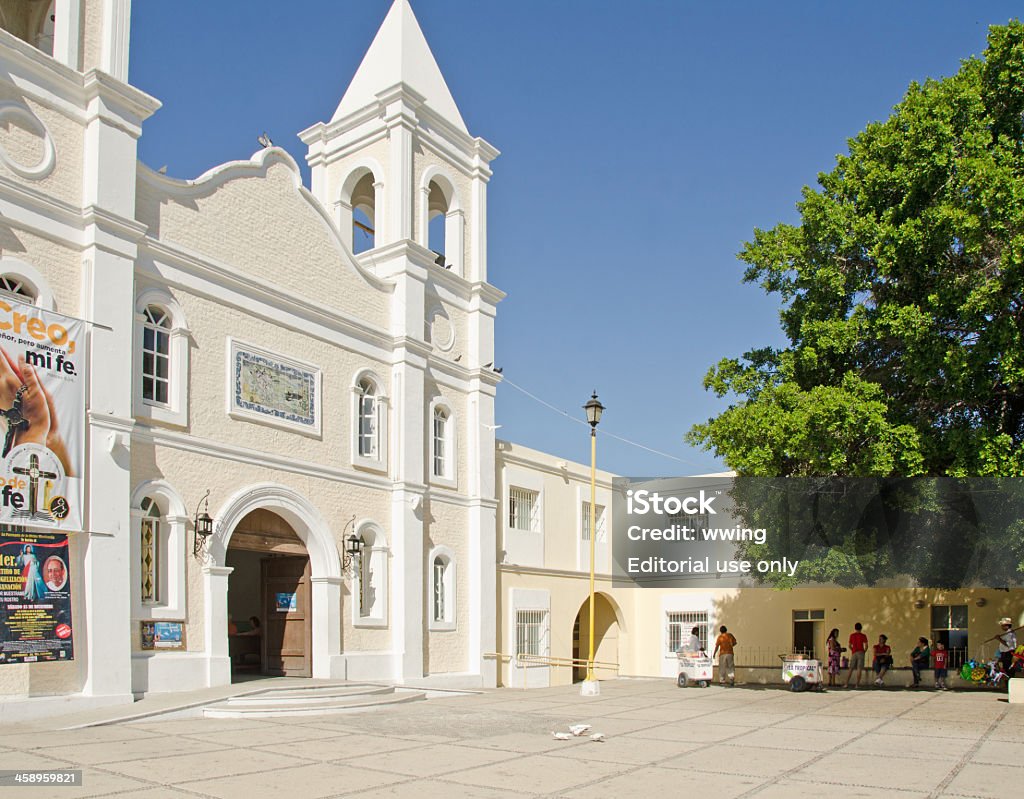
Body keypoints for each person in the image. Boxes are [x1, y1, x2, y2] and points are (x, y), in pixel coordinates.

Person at [845, 622, 868, 689]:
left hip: (854, 652)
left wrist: (853, 650)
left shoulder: (852, 635)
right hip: (861, 652)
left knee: (851, 669)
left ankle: (846, 684)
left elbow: (849, 645)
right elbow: (866, 645)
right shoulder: (863, 636)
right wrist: (864, 651)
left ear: (855, 628)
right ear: (861, 628)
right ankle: (857, 685)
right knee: (859, 669)